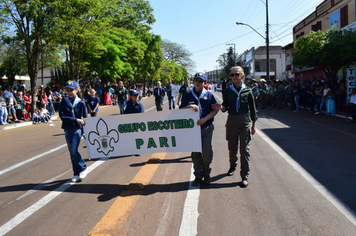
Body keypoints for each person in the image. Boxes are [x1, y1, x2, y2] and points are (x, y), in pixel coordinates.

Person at [216, 66, 258, 188]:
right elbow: (225, 107)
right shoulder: (228, 91)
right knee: (232, 148)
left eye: (237, 74)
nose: (234, 77)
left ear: (242, 76)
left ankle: (244, 175)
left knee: (244, 150)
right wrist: (221, 107)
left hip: (244, 120)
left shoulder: (248, 91)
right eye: (232, 75)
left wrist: (254, 125)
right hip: (232, 120)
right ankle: (232, 166)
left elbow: (253, 109)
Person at [180, 72, 219, 186]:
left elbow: (215, 110)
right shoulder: (188, 95)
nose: (198, 82)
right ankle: (198, 175)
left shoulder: (209, 95)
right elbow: (182, 108)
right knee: (196, 153)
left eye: (201, 81)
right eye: (196, 80)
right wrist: (190, 106)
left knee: (207, 151)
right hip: (193, 129)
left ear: (204, 83)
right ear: (193, 81)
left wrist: (205, 119)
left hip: (207, 127)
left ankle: (206, 172)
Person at [59, 80, 88, 183]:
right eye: (67, 90)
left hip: (77, 129)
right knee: (71, 153)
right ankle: (76, 174)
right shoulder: (63, 102)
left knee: (74, 151)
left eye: (71, 90)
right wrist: (75, 119)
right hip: (67, 129)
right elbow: (63, 117)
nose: (69, 92)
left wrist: (85, 131)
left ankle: (83, 167)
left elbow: (85, 118)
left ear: (76, 90)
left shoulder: (80, 103)